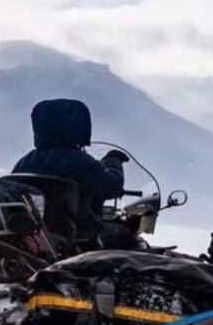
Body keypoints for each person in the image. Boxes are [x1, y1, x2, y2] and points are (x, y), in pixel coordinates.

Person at [12, 99, 130, 247]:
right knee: (126, 234)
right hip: (77, 235)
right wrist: (113, 160)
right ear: (77, 126)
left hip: (35, 236)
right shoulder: (78, 161)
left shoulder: (26, 161)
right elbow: (111, 187)